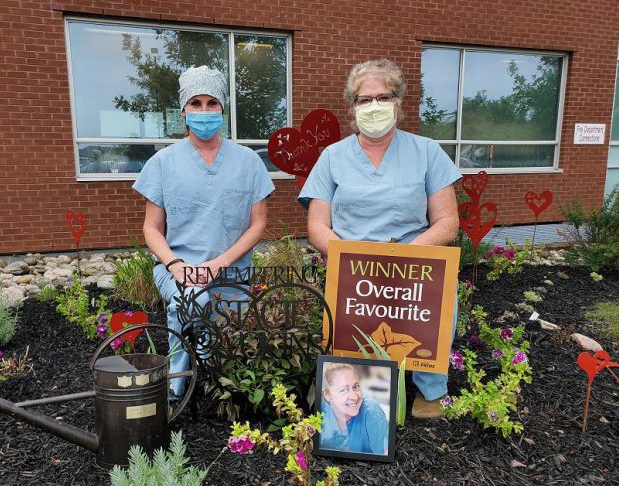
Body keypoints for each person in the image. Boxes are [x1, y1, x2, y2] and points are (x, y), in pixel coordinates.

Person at [298, 59, 461, 419]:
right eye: (363, 99)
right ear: (352, 107)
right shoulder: (332, 157)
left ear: (398, 102)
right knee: (347, 323)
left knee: (439, 303)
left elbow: (448, 222)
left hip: (415, 264)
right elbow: (317, 227)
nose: (373, 106)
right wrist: (349, 257)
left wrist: (400, 257)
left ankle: (431, 391)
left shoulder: (427, 152)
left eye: (382, 96)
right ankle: (352, 390)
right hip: (353, 267)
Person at [133, 66, 275, 395]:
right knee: (192, 299)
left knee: (228, 334)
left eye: (212, 103)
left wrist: (217, 264)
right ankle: (178, 388)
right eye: (195, 103)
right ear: (183, 110)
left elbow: (258, 225)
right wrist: (176, 266)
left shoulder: (248, 162)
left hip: (231, 272)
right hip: (178, 269)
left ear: (223, 108)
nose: (204, 111)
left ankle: (213, 376)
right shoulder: (163, 163)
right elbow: (151, 228)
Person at [320, 363, 389, 454]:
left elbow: (386, 453)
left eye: (356, 387)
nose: (354, 397)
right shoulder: (321, 411)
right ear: (328, 395)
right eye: (343, 390)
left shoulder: (371, 410)